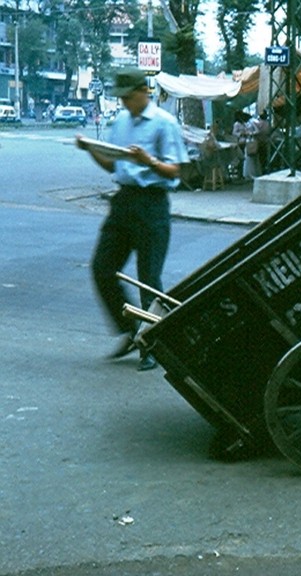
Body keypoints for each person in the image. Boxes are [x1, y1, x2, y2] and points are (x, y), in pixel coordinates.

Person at [76, 68, 189, 371]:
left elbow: (175, 170)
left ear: (144, 90)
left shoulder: (164, 124)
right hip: (123, 202)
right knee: (103, 267)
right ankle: (130, 331)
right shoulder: (121, 122)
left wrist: (148, 161)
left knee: (148, 280)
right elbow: (113, 166)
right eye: (122, 98)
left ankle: (152, 345)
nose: (125, 103)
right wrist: (90, 149)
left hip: (152, 204)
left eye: (129, 97)